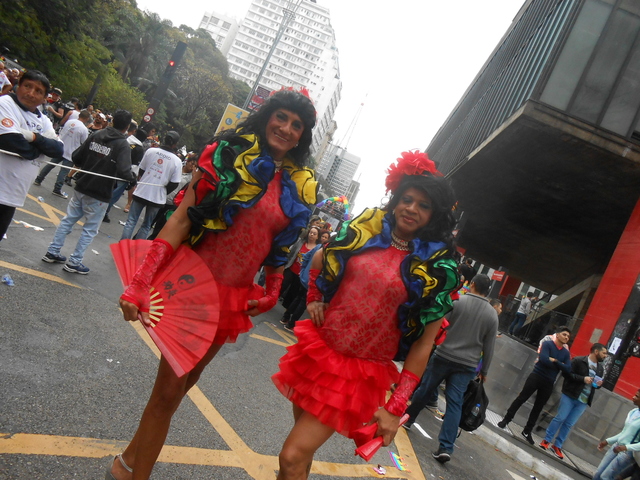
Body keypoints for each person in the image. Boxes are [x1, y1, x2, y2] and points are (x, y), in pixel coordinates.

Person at [109, 88, 318, 480]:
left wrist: (273, 289)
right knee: (167, 394)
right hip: (192, 286)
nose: (287, 128)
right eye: (282, 117)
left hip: (231, 299)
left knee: (186, 384)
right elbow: (181, 220)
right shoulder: (226, 155)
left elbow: (278, 249)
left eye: (297, 124)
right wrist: (140, 282)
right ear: (267, 116)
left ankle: (125, 463)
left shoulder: (296, 184)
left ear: (302, 135)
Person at [272, 150, 460, 480]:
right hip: (318, 352)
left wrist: (396, 405)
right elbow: (320, 258)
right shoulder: (368, 230)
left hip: (357, 373)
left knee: (291, 455)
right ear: (396, 199)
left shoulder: (435, 269)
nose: (412, 209)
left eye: (424, 205)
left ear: (435, 214)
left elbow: (424, 345)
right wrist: (314, 298)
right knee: (299, 455)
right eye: (407, 199)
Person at [404, 274, 499, 464]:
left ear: (471, 284)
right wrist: (485, 370)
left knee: (425, 389)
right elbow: (489, 347)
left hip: (444, 355)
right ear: (488, 291)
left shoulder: (457, 302)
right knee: (455, 403)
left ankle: (408, 419)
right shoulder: (492, 315)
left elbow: (441, 325)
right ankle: (446, 447)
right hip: (468, 365)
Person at [42, 110, 136, 274]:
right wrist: (132, 179)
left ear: (112, 120)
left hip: (82, 184)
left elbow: (77, 157)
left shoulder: (97, 135)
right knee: (90, 229)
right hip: (100, 192)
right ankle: (74, 262)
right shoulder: (122, 145)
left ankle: (52, 251)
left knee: (68, 220)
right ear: (127, 127)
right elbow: (124, 171)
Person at [0, 70, 63, 241]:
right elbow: (10, 141)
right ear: (18, 86)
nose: (31, 93)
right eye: (27, 86)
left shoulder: (43, 120)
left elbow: (58, 150)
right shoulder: (5, 104)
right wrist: (37, 151)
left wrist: (33, 137)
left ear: (44, 98)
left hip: (12, 196)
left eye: (38, 91)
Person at [498, 326, 572, 444]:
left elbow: (568, 368)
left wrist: (555, 361)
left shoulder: (565, 353)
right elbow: (543, 359)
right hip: (536, 376)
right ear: (557, 335)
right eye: (564, 334)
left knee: (538, 407)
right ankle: (506, 419)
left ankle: (527, 431)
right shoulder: (547, 344)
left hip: (549, 382)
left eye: (568, 336)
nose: (566, 337)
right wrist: (558, 365)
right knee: (521, 398)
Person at [539, 343, 607, 459]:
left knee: (569, 424)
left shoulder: (600, 368)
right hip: (570, 395)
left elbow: (596, 384)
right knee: (560, 418)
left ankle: (557, 446)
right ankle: (547, 440)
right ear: (596, 351)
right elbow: (567, 374)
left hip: (583, 400)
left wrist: (598, 385)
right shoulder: (579, 360)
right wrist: (583, 379)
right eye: (604, 353)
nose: (605, 356)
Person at [120, 131, 183, 240]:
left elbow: (141, 170)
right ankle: (136, 253)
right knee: (146, 226)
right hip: (157, 198)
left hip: (142, 191)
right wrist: (162, 190)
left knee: (131, 221)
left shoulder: (151, 151)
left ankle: (122, 249)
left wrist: (146, 182)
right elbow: (174, 183)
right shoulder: (177, 161)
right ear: (175, 144)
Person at [33, 109, 92, 197]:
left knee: (50, 164)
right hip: (71, 152)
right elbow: (84, 142)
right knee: (64, 171)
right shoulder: (83, 129)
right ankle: (57, 189)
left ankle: (38, 179)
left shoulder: (70, 122)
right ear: (87, 119)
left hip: (61, 147)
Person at [593, 388, 640, 480]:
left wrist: (626, 447)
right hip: (617, 446)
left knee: (605, 477)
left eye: (637, 396)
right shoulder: (633, 412)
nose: (633, 397)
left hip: (627, 452)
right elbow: (624, 433)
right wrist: (607, 441)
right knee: (598, 474)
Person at [280, 225, 319, 325]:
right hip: (291, 268)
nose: (312, 235)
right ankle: (271, 301)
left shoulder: (316, 249)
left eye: (314, 234)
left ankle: (287, 312)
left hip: (300, 275)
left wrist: (303, 272)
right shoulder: (301, 242)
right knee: (282, 285)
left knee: (294, 293)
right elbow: (292, 252)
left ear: (317, 237)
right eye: (311, 232)